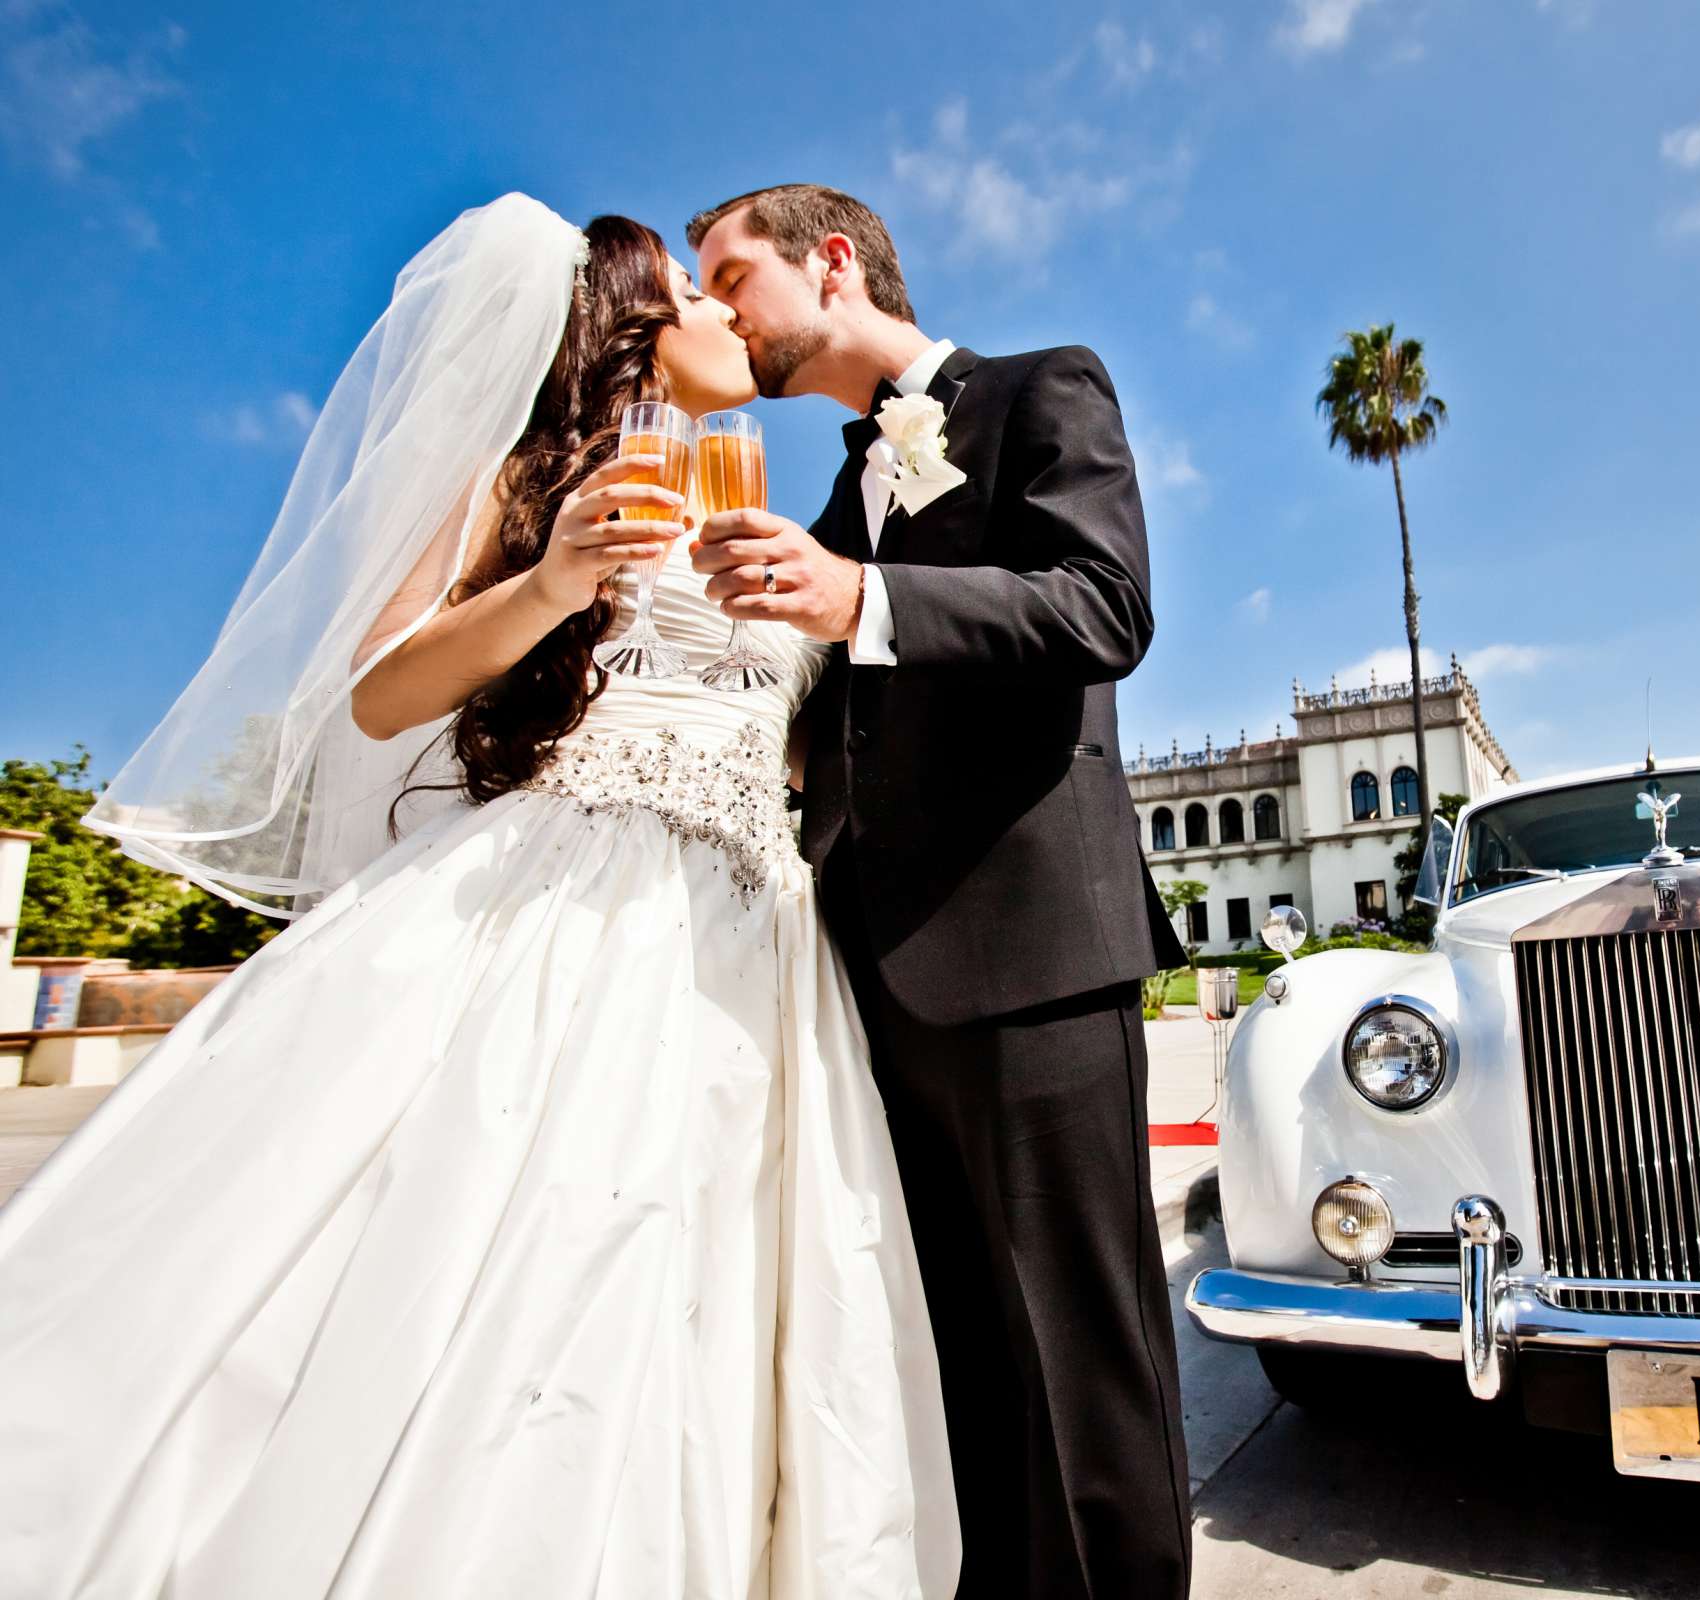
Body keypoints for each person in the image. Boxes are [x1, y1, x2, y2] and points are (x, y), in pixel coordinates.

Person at [0, 195, 959, 1599]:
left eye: (729, 284)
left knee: (730, 1316)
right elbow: (385, 690)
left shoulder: (772, 519)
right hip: (577, 907)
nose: (723, 314)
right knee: (539, 1280)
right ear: (629, 328)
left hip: (758, 953)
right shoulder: (536, 486)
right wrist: (559, 577)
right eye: (693, 298)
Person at [685, 184, 1191, 1600]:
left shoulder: (1044, 392)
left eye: (734, 275)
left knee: (1080, 1369)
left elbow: (1103, 609)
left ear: (831, 262)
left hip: (1029, 954)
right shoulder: (837, 496)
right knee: (956, 1357)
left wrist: (861, 603)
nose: (719, 308)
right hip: (869, 979)